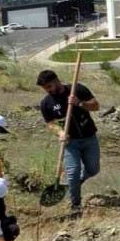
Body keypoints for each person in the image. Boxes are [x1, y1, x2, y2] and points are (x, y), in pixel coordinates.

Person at [37, 69, 101, 215]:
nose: (47, 90)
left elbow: (96, 106)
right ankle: (75, 205)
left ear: (56, 81)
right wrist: (60, 132)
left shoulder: (77, 89)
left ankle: (79, 180)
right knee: (72, 172)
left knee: (93, 170)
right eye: (45, 88)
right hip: (70, 143)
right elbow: (50, 123)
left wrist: (79, 103)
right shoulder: (46, 103)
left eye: (49, 86)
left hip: (89, 138)